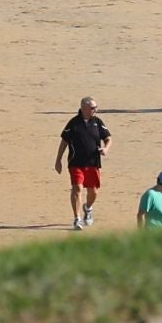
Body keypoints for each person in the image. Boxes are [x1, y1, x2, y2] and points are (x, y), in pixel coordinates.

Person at [54, 95, 110, 231]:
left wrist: (106, 148)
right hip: (76, 162)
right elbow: (64, 141)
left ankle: (88, 207)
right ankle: (77, 218)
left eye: (95, 107)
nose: (95, 110)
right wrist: (58, 160)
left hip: (93, 162)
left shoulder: (98, 121)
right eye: (92, 108)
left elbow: (108, 137)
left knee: (94, 191)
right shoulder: (73, 123)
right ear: (84, 108)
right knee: (77, 188)